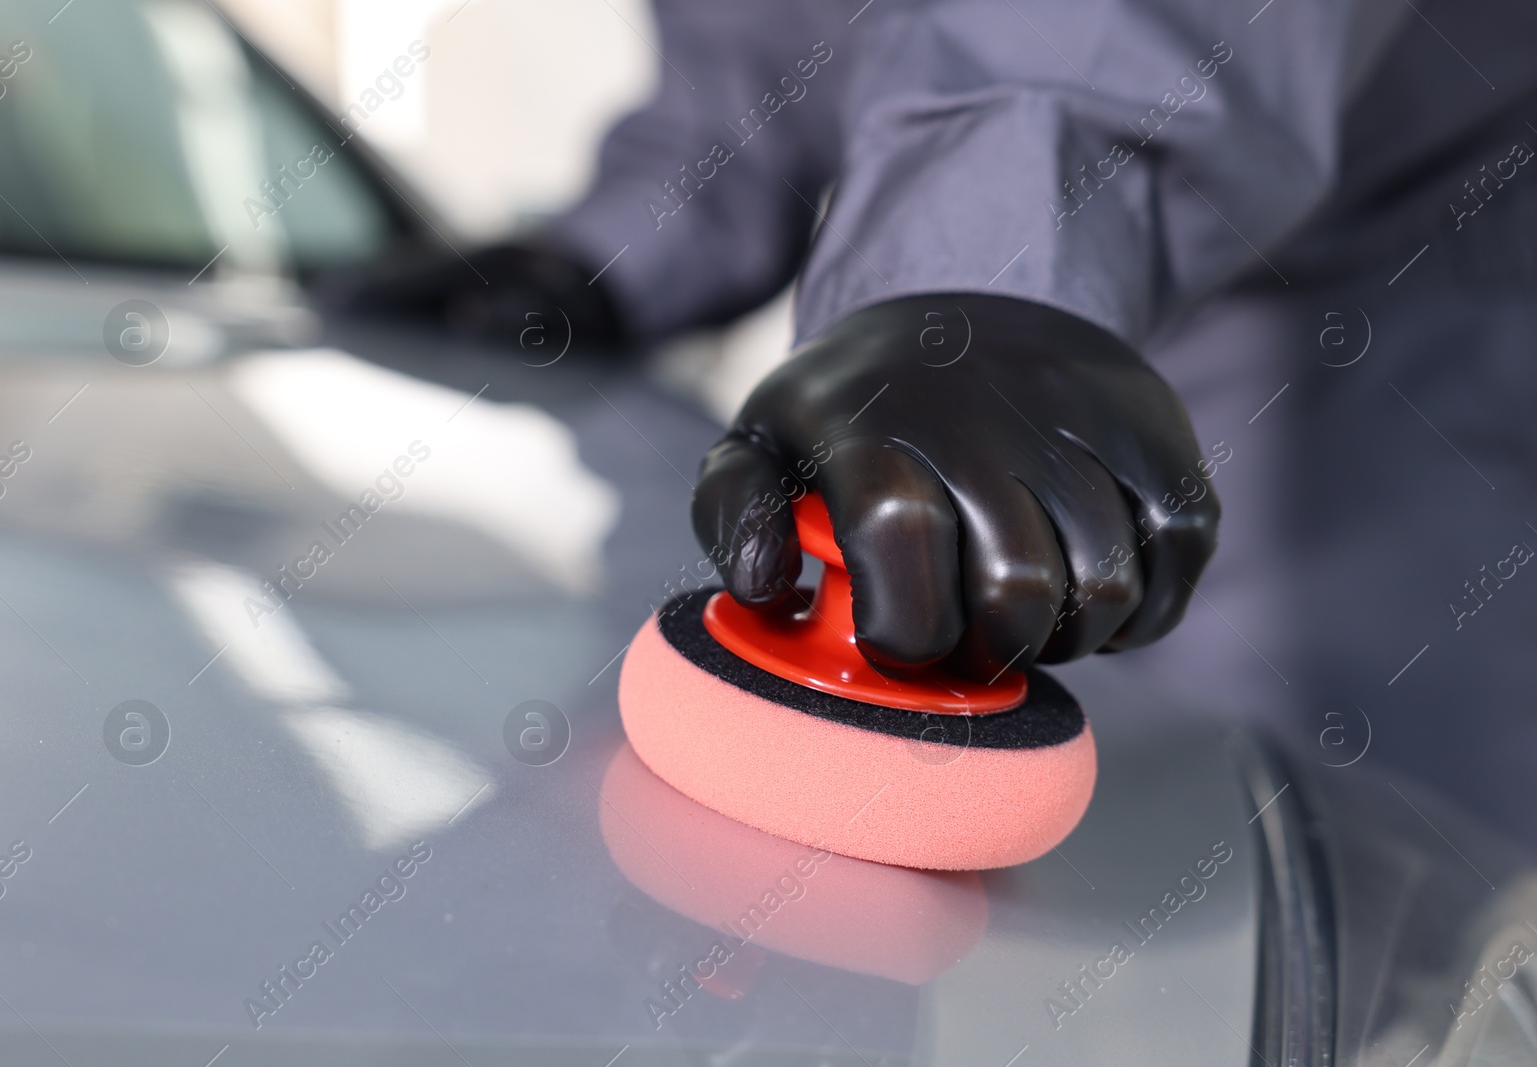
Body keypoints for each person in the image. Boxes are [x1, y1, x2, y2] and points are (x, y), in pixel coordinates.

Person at [333, 0, 1537, 847]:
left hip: (1357, 341)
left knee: (1306, 899)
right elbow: (777, 39)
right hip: (1016, 271)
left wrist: (989, 272)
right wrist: (618, 247)